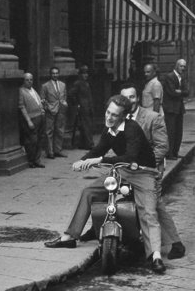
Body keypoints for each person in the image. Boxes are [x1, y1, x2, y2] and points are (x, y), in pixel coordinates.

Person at [44, 94, 166, 274]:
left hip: (143, 173)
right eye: (108, 112)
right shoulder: (109, 130)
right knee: (88, 192)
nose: (109, 117)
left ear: (123, 116)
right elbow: (99, 148)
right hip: (122, 171)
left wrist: (98, 160)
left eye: (114, 115)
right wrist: (83, 161)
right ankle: (69, 236)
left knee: (149, 212)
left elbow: (130, 156)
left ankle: (155, 256)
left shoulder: (132, 128)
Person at [119, 85, 185, 259]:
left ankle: (176, 244)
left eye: (132, 97)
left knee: (154, 205)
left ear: (138, 98)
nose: (129, 101)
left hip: (149, 169)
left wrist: (143, 164)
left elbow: (162, 146)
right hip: (129, 170)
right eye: (125, 98)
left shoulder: (152, 117)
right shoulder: (120, 118)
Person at [162, 59, 189, 159]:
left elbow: (187, 92)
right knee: (171, 132)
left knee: (178, 131)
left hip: (179, 108)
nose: (183, 68)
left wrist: (180, 91)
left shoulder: (182, 77)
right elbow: (172, 92)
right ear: (176, 66)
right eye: (181, 66)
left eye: (184, 66)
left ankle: (175, 152)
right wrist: (181, 92)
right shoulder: (169, 76)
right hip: (170, 108)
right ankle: (170, 153)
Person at [18, 73, 46, 168]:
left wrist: (41, 106)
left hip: (40, 116)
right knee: (32, 141)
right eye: (27, 80)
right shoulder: (21, 91)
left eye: (31, 79)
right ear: (24, 81)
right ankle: (31, 160)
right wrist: (28, 121)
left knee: (40, 139)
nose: (30, 81)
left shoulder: (33, 90)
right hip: (32, 118)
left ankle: (37, 160)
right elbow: (22, 107)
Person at [41, 66, 68, 159]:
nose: (55, 75)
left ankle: (58, 150)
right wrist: (47, 107)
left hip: (61, 110)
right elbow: (42, 99)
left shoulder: (63, 85)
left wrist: (64, 104)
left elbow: (64, 97)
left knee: (60, 130)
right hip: (50, 111)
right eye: (53, 73)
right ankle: (50, 152)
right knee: (49, 131)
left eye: (57, 73)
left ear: (59, 74)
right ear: (50, 74)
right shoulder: (45, 86)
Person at [69, 65, 94, 149]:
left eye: (86, 73)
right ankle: (89, 144)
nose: (86, 75)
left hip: (88, 107)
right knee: (85, 126)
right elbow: (71, 94)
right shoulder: (78, 83)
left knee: (87, 126)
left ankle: (83, 144)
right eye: (83, 73)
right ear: (80, 74)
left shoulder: (86, 83)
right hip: (82, 108)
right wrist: (77, 104)